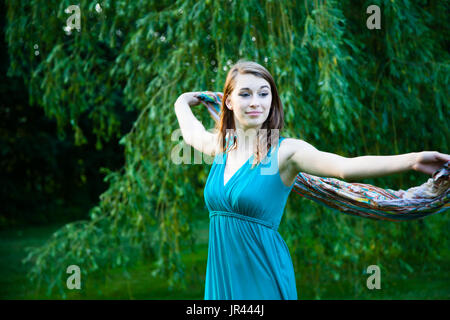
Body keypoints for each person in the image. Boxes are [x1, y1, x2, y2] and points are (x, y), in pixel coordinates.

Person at [174, 60, 450, 300]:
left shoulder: (286, 152)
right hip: (222, 278)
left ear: (273, 101)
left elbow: (346, 167)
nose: (256, 102)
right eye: (245, 94)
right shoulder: (222, 147)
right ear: (229, 101)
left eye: (264, 93)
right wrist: (183, 100)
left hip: (263, 275)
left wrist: (413, 159)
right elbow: (190, 132)